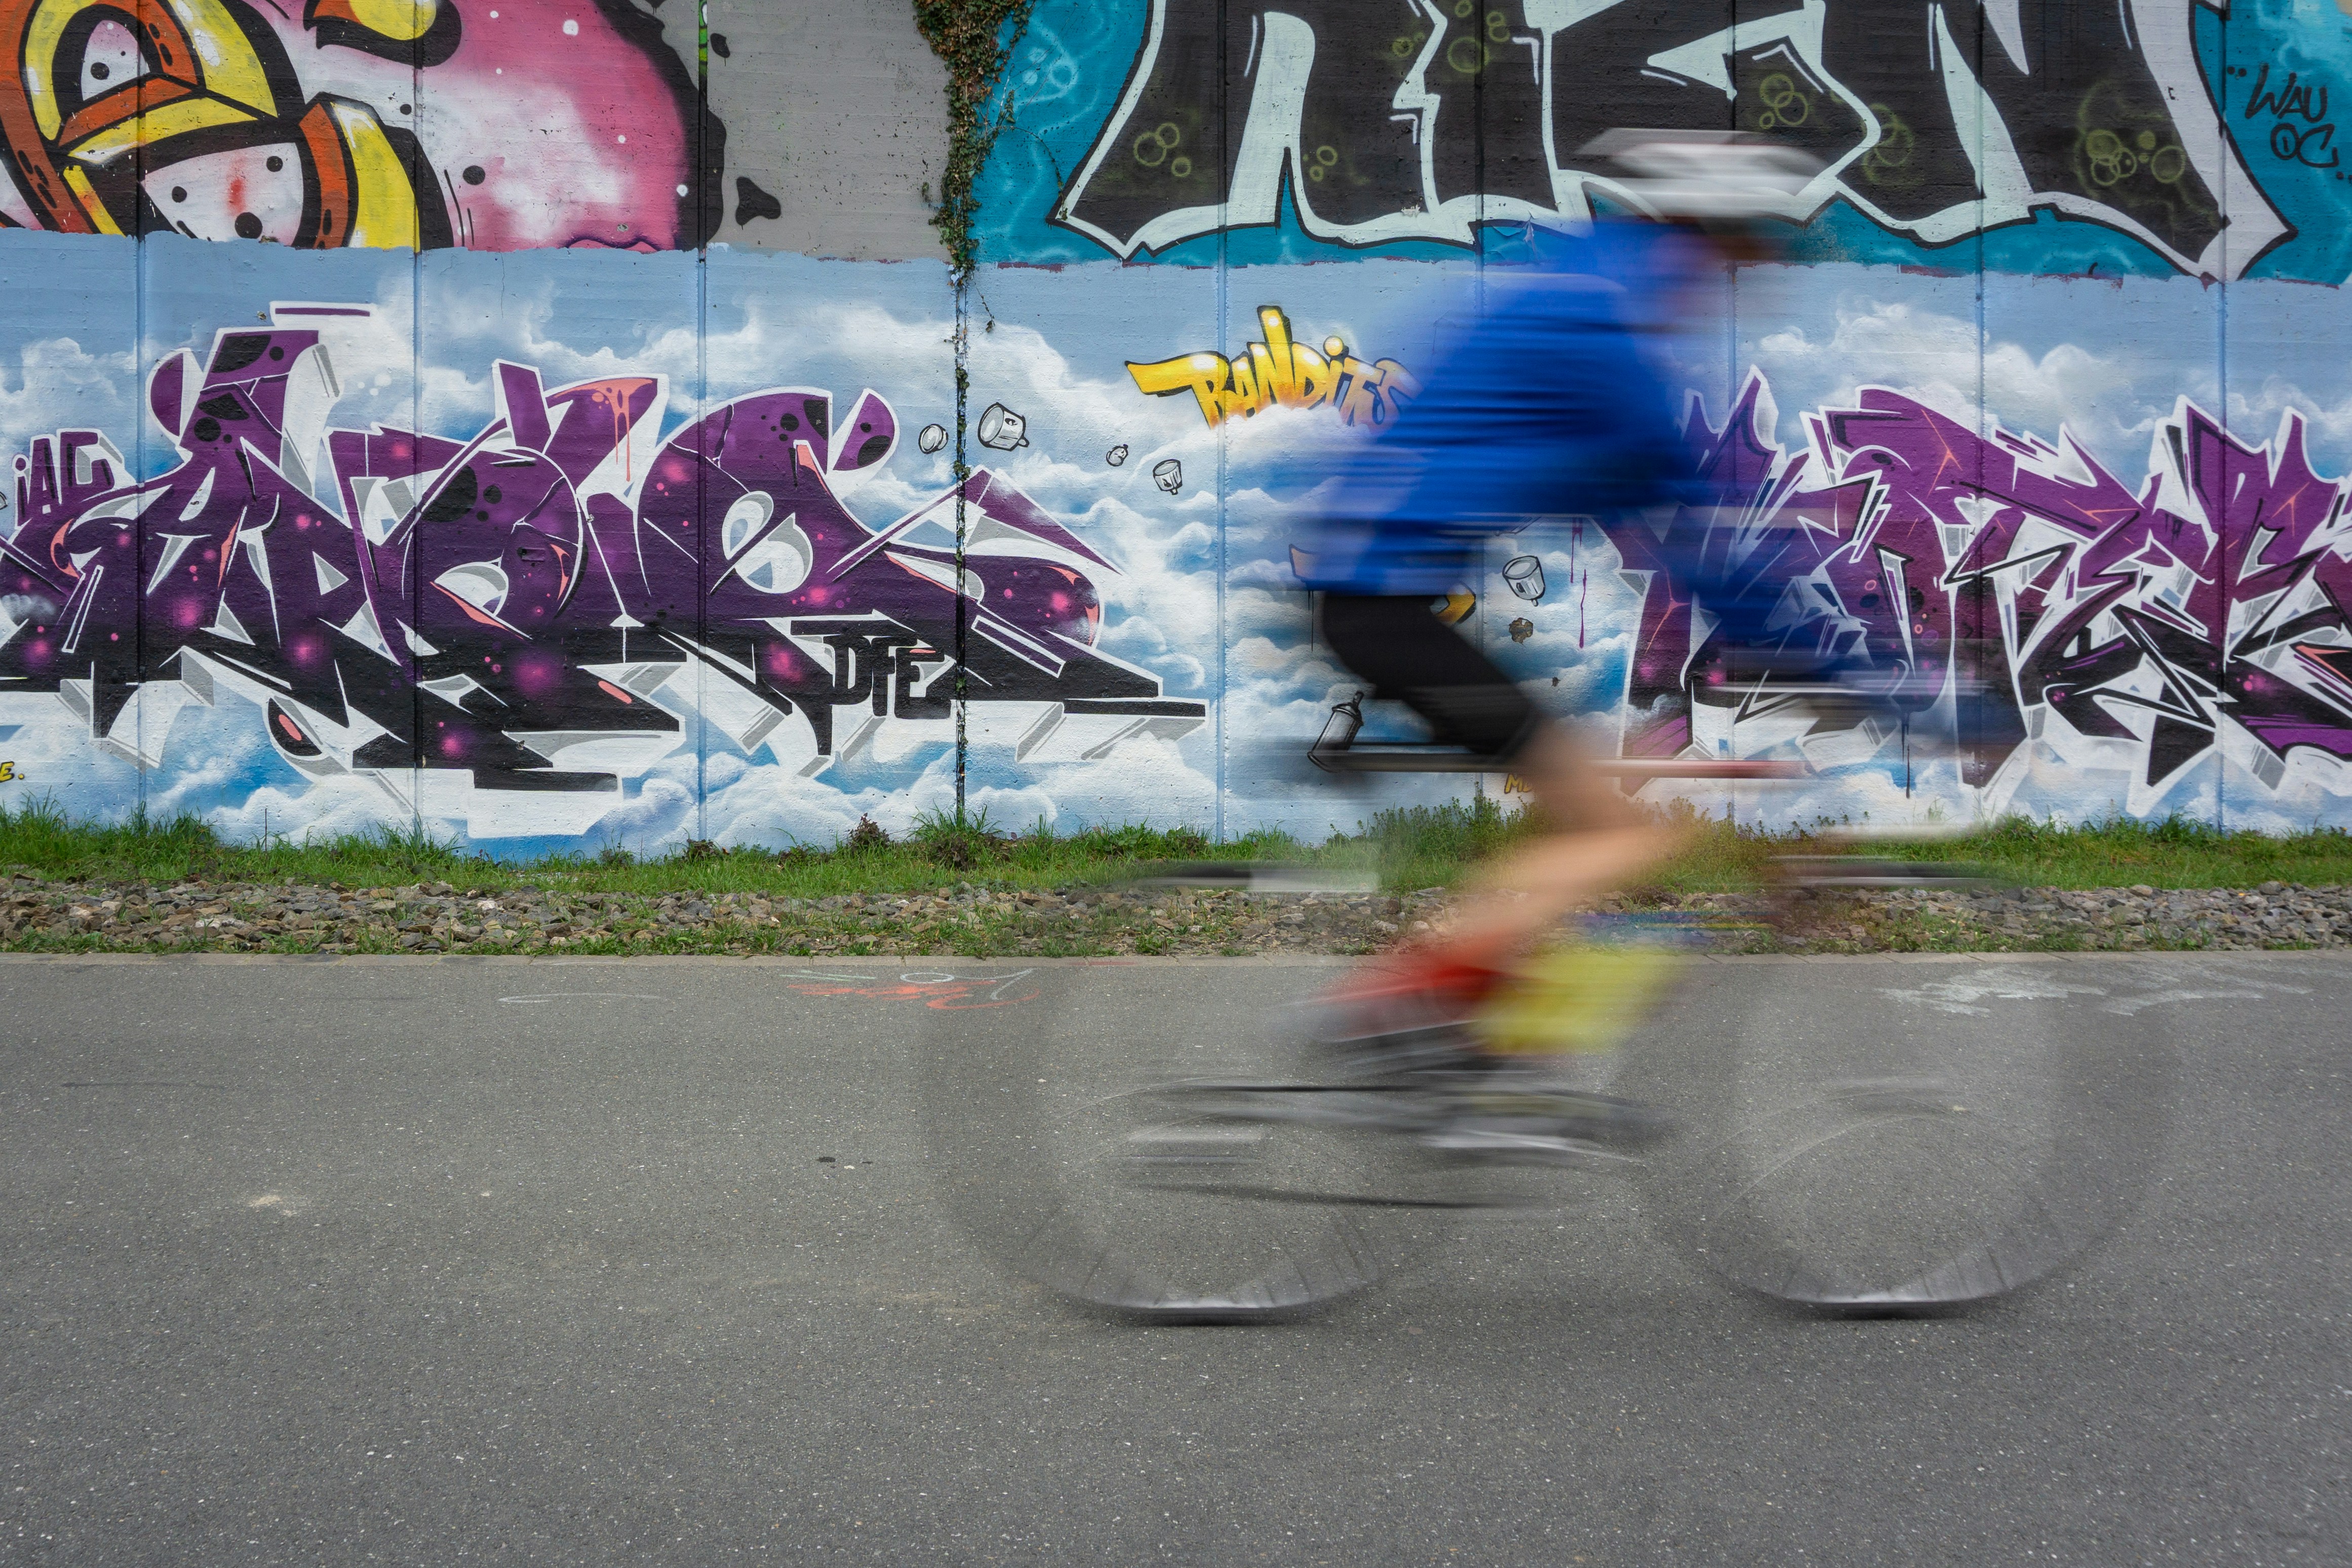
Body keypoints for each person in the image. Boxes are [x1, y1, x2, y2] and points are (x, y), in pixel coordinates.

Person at [1293, 132, 1822, 1127]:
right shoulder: (1607, 343)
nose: (1737, 283)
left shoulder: (1571, 297)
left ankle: (1485, 1047)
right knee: (1615, 833)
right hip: (1383, 605)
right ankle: (1393, 1006)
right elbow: (1707, 557)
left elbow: (1660, 520)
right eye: (1741, 257)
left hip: (1374, 593)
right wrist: (1867, 678)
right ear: (1700, 244)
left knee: (1573, 827)